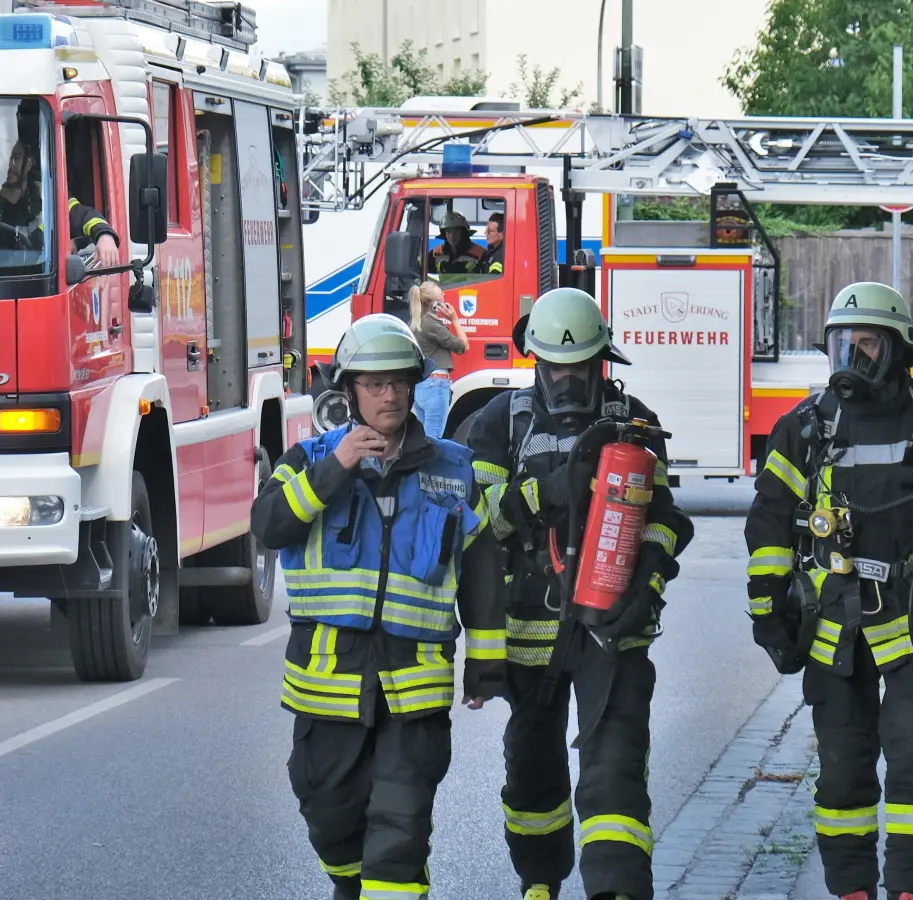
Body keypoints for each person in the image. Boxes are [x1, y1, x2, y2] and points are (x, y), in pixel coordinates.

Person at [743, 282, 913, 900]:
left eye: (866, 345)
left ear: (897, 350)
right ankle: (852, 891)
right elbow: (768, 519)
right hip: (831, 631)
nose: (853, 359)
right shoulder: (805, 427)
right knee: (842, 775)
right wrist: (767, 612)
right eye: (842, 345)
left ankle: (912, 891)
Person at [251, 313, 508, 900]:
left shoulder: (454, 469)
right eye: (373, 384)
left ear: (414, 385)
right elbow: (268, 526)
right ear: (349, 391)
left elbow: (484, 575)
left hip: (413, 694)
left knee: (399, 834)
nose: (388, 395)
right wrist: (334, 469)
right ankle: (350, 884)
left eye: (398, 382)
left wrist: (486, 666)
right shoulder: (307, 458)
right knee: (330, 818)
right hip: (328, 688)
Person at [468, 287, 695, 900]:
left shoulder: (634, 422)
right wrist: (543, 493)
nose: (568, 380)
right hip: (530, 635)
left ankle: (615, 890)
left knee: (615, 772)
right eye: (555, 367)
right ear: (536, 363)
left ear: (603, 362)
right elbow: (474, 524)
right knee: (532, 775)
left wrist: (648, 579)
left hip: (613, 632)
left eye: (581, 366)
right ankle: (540, 882)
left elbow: (667, 518)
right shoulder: (501, 423)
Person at [0, 138, 122, 272]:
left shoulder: (49, 194)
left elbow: (82, 214)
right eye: (4, 159)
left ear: (28, 163)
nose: (9, 165)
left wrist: (104, 235)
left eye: (15, 158)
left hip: (40, 281)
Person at [410, 281, 469, 439]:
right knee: (433, 440)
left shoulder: (418, 322)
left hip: (422, 385)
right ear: (435, 304)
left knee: (425, 438)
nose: (445, 296)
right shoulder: (432, 325)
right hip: (435, 385)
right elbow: (463, 346)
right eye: (442, 294)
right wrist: (455, 320)